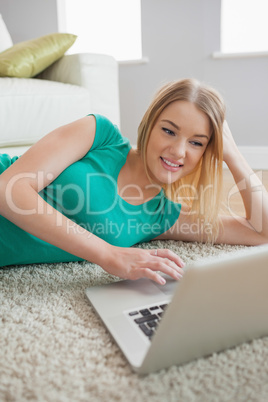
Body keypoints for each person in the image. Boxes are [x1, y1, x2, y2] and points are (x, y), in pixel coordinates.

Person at [0, 78, 267, 285]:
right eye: (168, 131)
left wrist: (232, 154)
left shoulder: (162, 216)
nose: (178, 151)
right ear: (148, 124)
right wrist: (108, 254)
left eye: (196, 142)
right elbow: (9, 190)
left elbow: (262, 232)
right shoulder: (99, 135)